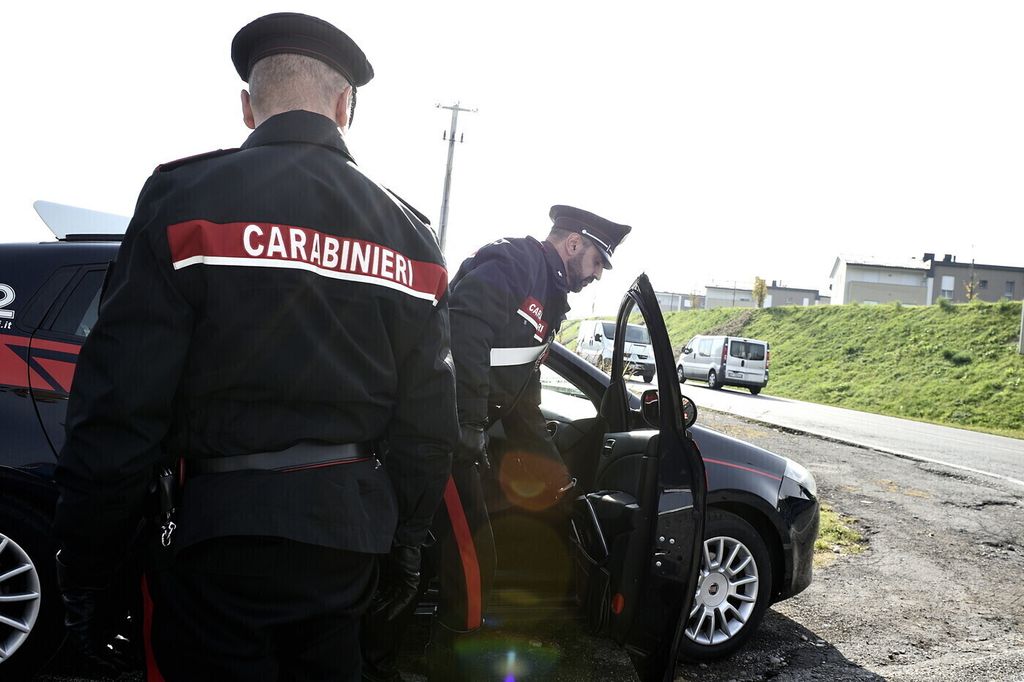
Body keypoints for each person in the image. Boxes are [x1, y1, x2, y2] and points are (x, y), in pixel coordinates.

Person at [51, 12, 458, 682]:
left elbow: (118, 404)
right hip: (348, 540)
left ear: (248, 107)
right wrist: (407, 544)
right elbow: (428, 421)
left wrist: (89, 568)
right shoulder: (408, 235)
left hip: (217, 543)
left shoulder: (183, 201)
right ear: (343, 107)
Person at [362, 205, 631, 681]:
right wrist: (467, 424)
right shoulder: (515, 263)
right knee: (468, 557)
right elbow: (463, 331)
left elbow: (524, 396)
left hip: (458, 436)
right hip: (436, 432)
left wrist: (559, 474)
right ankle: (437, 663)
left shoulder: (548, 296)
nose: (595, 275)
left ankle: (391, 658)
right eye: (595, 262)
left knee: (425, 557)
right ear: (574, 244)